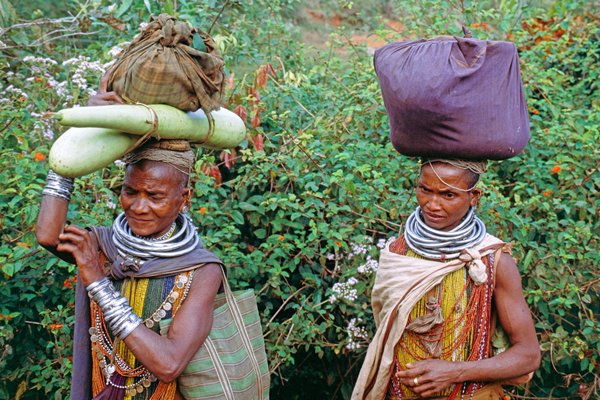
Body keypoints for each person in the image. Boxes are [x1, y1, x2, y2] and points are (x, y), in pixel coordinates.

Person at [36, 128, 224, 398]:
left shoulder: (202, 270)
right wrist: (64, 164)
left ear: (184, 199)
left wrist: (98, 282)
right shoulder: (104, 246)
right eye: (130, 191)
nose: (138, 206)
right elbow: (48, 236)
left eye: (155, 196)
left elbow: (169, 364)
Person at [352, 159, 541, 400]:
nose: (432, 204)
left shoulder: (492, 261)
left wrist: (455, 372)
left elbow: (528, 355)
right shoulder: (397, 253)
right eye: (424, 190)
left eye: (448, 195)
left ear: (474, 196)